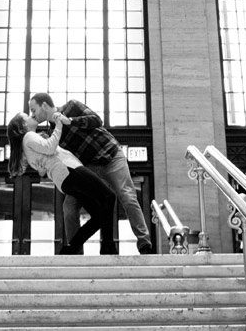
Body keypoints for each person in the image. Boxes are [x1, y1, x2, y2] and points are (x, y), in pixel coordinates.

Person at [28, 92, 155, 254]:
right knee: (69, 207)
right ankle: (75, 252)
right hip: (88, 168)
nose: (33, 114)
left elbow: (96, 120)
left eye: (34, 110)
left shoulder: (71, 106)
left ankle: (144, 243)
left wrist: (70, 121)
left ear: (44, 105)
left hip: (110, 156)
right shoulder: (53, 134)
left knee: (127, 196)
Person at [6, 111, 118, 254]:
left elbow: (42, 168)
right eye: (26, 116)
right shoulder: (28, 137)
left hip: (65, 179)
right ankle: (107, 247)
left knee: (98, 215)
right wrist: (59, 123)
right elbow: (50, 147)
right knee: (109, 196)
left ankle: (71, 249)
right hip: (70, 170)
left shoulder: (27, 146)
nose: (31, 115)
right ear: (22, 127)